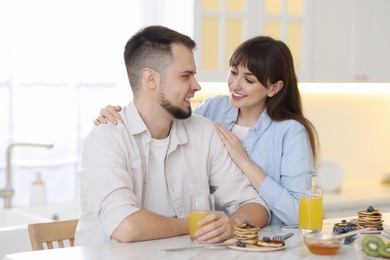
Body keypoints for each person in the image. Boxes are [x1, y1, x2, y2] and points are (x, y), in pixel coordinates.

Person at [94, 35, 319, 227]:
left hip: (268, 241)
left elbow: (300, 215)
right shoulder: (214, 109)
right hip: (216, 242)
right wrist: (118, 114)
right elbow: (164, 111)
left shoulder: (291, 132)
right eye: (233, 72)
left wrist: (245, 163)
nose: (235, 85)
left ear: (274, 88)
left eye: (248, 79)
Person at [75, 25, 270, 246]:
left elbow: (256, 206)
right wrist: (196, 225)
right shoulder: (105, 139)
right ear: (150, 79)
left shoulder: (204, 132)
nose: (196, 86)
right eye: (186, 76)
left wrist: (233, 223)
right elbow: (126, 227)